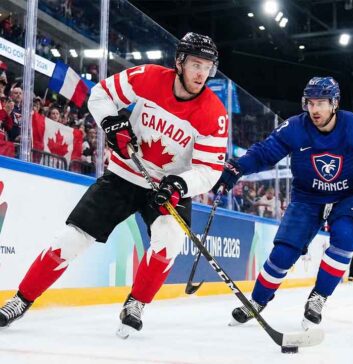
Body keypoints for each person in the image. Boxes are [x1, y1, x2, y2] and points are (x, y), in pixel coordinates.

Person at [0, 32, 228, 337]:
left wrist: (178, 184)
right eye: (196, 64)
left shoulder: (214, 114)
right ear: (180, 62)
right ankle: (20, 299)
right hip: (124, 174)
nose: (201, 73)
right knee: (71, 238)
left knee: (170, 239)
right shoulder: (148, 77)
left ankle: (136, 303)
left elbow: (208, 169)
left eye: (208, 67)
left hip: (168, 187)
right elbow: (101, 95)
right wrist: (112, 122)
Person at [215, 77, 353, 330]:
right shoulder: (294, 127)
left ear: (334, 103)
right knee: (283, 253)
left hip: (348, 196)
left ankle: (318, 298)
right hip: (307, 196)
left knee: (345, 238)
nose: (314, 109)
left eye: (321, 103)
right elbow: (264, 152)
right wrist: (237, 167)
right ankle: (257, 302)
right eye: (310, 103)